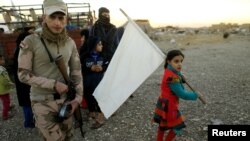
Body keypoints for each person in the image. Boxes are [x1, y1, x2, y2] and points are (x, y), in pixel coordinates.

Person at [18, 0, 83, 140]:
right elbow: (23, 74)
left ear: (66, 19)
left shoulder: (70, 42)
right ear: (44, 17)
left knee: (69, 136)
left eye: (61, 18)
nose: (57, 22)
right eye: (53, 17)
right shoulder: (31, 41)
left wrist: (77, 99)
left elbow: (76, 73)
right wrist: (53, 84)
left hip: (66, 101)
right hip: (42, 101)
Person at [152, 50, 198, 141]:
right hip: (170, 105)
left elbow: (176, 74)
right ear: (169, 61)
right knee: (178, 126)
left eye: (181, 61)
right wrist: (195, 95)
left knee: (162, 125)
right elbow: (182, 94)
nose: (180, 64)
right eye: (176, 61)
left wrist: (181, 77)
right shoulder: (172, 78)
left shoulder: (168, 70)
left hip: (163, 102)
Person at [81, 36, 108, 129]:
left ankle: (100, 119)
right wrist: (90, 68)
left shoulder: (103, 56)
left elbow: (107, 66)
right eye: (99, 44)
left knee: (99, 100)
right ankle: (92, 113)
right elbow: (80, 68)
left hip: (99, 83)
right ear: (93, 45)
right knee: (89, 98)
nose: (102, 46)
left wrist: (102, 68)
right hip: (88, 83)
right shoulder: (84, 56)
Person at [13, 27, 35, 128]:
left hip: (21, 81)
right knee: (27, 103)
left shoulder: (18, 48)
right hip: (24, 81)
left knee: (26, 102)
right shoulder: (22, 51)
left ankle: (28, 122)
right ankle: (29, 123)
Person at [0, 55, 14, 120]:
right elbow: (3, 80)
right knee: (6, 102)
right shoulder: (0, 70)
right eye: (2, 59)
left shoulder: (1, 68)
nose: (4, 60)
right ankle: (5, 115)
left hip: (3, 89)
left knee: (6, 100)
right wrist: (10, 83)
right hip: (2, 90)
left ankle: (8, 108)